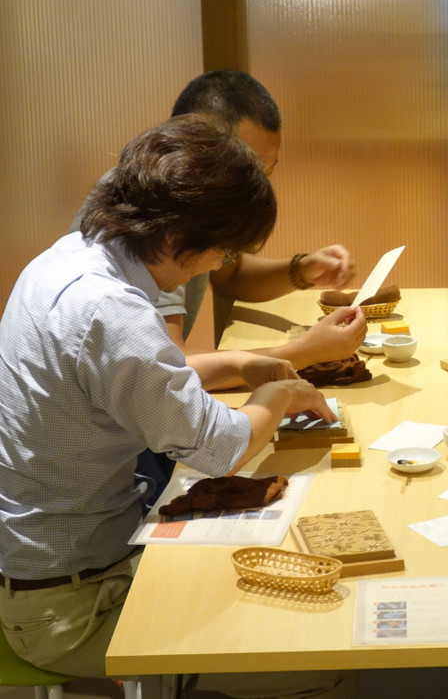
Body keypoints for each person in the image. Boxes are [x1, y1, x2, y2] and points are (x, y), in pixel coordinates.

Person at [0, 116, 351, 697]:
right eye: (223, 250)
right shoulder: (111, 310)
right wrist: (280, 394)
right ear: (174, 238)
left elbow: (138, 377)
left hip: (60, 573)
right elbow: (221, 448)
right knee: (314, 656)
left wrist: (240, 364)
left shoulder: (71, 258)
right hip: (73, 607)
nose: (218, 265)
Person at [75, 70, 367, 387]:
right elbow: (171, 370)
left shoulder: (179, 192)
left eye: (266, 173)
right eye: (247, 168)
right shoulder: (159, 206)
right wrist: (303, 352)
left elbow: (228, 273)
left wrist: (302, 270)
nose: (257, 187)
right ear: (197, 137)